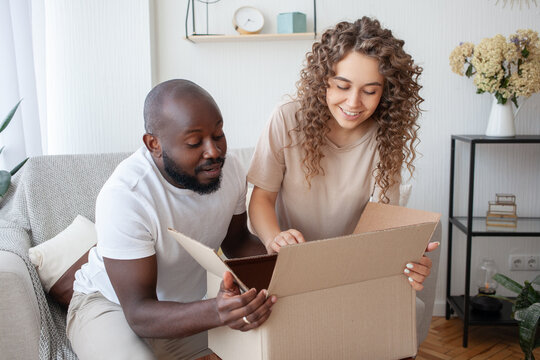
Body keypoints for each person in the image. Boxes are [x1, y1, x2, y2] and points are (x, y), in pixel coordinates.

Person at [67, 79, 276, 360]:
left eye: (218, 135)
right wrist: (216, 311)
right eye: (194, 142)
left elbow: (237, 243)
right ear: (154, 144)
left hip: (184, 310)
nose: (213, 152)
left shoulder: (230, 171)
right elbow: (139, 312)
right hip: (110, 306)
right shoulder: (127, 196)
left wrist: (286, 266)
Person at [247, 17, 438, 291]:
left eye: (370, 91)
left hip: (349, 269)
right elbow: (262, 197)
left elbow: (382, 225)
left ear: (386, 92)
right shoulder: (287, 118)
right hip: (288, 264)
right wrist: (274, 239)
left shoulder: (386, 136)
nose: (353, 103)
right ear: (323, 79)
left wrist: (407, 259)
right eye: (342, 86)